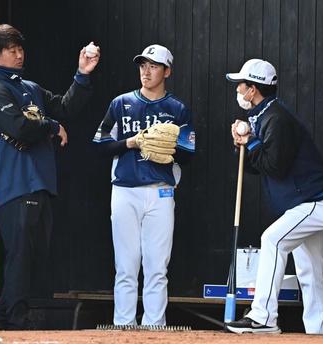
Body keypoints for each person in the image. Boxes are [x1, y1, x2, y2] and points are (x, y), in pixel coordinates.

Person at [0, 23, 100, 330]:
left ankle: (2, 320)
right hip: (13, 183)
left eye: (20, 49)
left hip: (39, 182)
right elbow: (19, 127)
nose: (19, 55)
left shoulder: (28, 87)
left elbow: (65, 107)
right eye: (11, 51)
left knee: (31, 256)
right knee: (20, 255)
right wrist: (50, 126)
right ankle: (14, 321)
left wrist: (82, 74)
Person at [224, 59, 323, 334]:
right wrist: (241, 145)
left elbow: (275, 167)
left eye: (241, 84)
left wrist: (250, 142)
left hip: (316, 202)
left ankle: (263, 317)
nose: (238, 89)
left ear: (253, 89)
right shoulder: (264, 115)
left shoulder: (276, 118)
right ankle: (318, 334)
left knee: (272, 240)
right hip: (305, 202)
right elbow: (258, 165)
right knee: (310, 273)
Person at [93, 44, 195, 326]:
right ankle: (124, 324)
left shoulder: (177, 109)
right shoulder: (121, 103)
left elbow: (188, 155)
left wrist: (167, 145)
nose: (146, 71)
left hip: (160, 191)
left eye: (153, 66)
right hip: (125, 190)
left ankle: (154, 326)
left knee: (156, 267)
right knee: (125, 266)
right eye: (142, 65)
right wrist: (131, 142)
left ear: (167, 71)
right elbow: (99, 145)